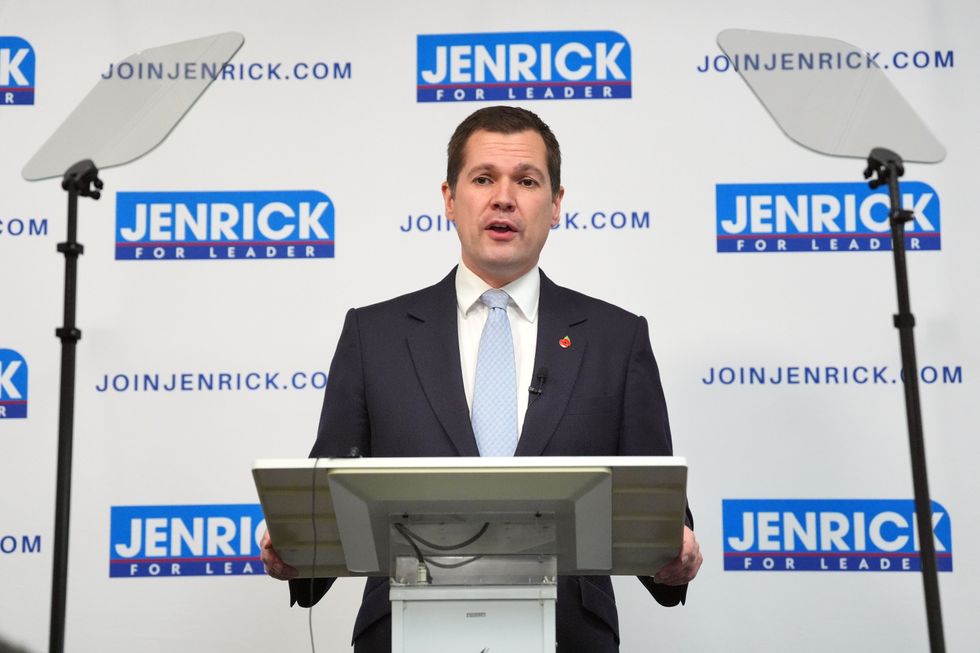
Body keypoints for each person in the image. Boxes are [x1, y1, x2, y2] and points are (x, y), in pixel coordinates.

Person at [262, 106, 702, 652]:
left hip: (567, 636)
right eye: (483, 178)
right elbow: (325, 504)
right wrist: (296, 551)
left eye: (527, 181)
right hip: (403, 633)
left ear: (556, 204)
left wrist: (675, 554)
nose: (503, 198)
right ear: (450, 198)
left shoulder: (616, 339)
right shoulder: (373, 335)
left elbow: (660, 517)